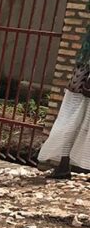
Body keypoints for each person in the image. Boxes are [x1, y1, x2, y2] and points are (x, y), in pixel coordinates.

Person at [38, 31, 90, 179]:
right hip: (84, 80)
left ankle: (63, 165)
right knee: (72, 121)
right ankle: (63, 165)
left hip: (80, 79)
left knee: (70, 121)